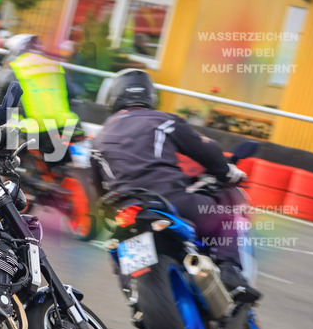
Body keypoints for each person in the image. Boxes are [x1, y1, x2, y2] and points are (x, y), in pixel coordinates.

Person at [90, 69, 259, 303]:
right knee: (224, 215)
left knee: (118, 245)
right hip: (169, 199)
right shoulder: (163, 120)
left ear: (113, 97)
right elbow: (204, 149)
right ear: (150, 95)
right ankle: (231, 270)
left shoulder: (99, 137)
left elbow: (96, 187)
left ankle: (135, 297)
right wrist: (227, 171)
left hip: (124, 208)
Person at [0, 34, 81, 159]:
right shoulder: (54, 68)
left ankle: (6, 171)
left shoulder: (13, 71)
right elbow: (74, 93)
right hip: (64, 124)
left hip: (31, 129)